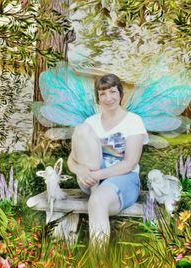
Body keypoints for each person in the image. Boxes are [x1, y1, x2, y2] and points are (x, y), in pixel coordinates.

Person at [67, 73, 148, 244]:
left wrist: (95, 175)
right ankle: (97, 192)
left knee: (97, 201)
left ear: (120, 94)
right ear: (97, 98)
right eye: (102, 93)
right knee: (81, 129)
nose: (108, 98)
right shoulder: (91, 122)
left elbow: (129, 163)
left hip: (124, 179)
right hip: (92, 181)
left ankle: (98, 259)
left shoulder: (133, 121)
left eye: (112, 92)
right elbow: (71, 160)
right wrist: (80, 170)